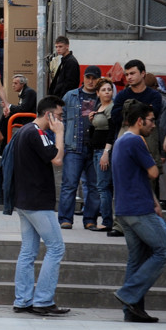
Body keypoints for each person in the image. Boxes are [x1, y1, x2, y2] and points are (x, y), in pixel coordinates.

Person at [111, 101, 166, 323]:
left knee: (136, 260)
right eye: (151, 121)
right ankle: (128, 294)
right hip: (138, 210)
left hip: (125, 209)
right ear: (140, 121)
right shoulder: (137, 141)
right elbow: (154, 172)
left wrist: (155, 201)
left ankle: (133, 311)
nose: (154, 126)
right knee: (164, 251)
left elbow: (137, 177)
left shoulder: (120, 140)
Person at [11, 95, 71, 316]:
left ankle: (23, 300)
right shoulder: (37, 133)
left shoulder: (24, 131)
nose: (62, 119)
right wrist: (60, 134)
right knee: (56, 248)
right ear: (50, 115)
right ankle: (43, 301)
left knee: (28, 251)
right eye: (60, 115)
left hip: (24, 200)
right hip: (37, 202)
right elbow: (57, 159)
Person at [58, 65, 102, 230]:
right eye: (88, 77)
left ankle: (90, 219)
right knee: (69, 184)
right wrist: (60, 144)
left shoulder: (102, 98)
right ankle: (65, 219)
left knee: (94, 186)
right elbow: (61, 119)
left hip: (95, 148)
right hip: (73, 146)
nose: (91, 81)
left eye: (94, 78)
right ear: (83, 78)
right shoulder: (71, 96)